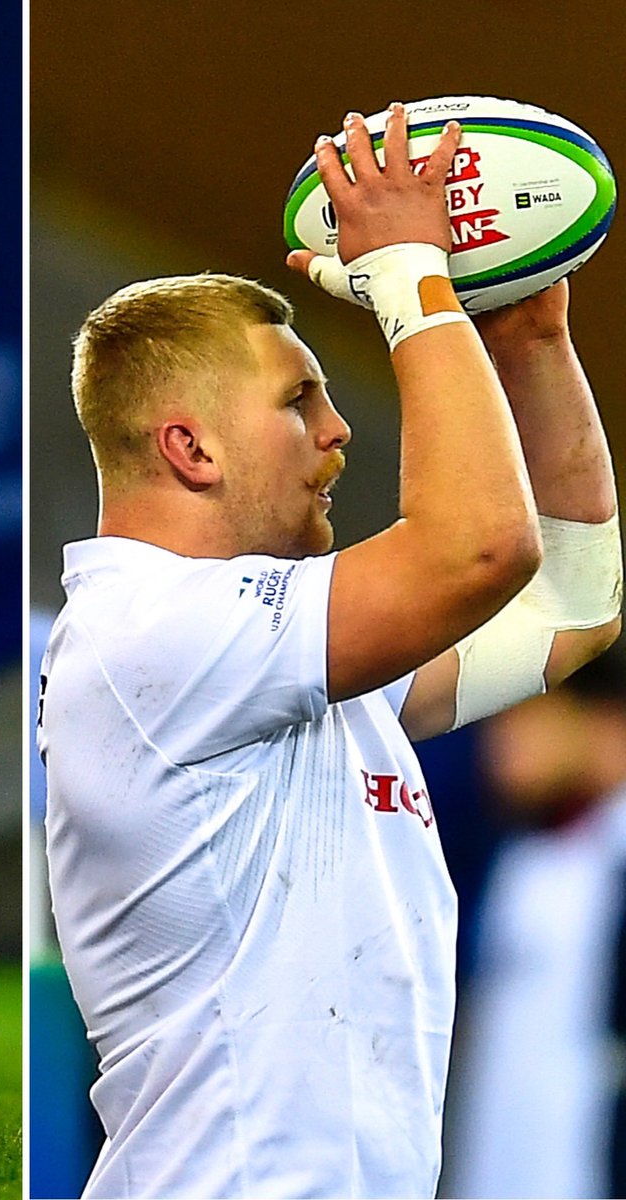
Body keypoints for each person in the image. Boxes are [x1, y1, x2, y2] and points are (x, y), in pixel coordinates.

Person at [37, 104, 621, 1198]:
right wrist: (409, 271)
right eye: (300, 400)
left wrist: (533, 344)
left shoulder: (271, 651)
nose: (337, 429)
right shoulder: (156, 630)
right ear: (190, 446)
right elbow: (479, 549)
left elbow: (571, 608)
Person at [446, 649, 626, 1199]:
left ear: (597, 719)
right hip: (500, 1165)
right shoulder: (518, 856)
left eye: (524, 717)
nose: (500, 748)